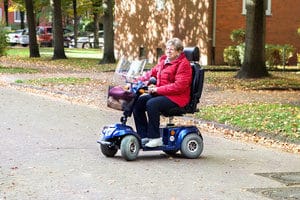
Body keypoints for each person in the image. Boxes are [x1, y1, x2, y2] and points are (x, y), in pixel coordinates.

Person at [133, 38, 193, 148]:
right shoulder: (164, 61)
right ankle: (143, 135)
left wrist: (157, 89)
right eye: (167, 49)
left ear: (179, 52)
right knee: (139, 101)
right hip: (163, 94)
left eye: (172, 49)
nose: (168, 51)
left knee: (152, 104)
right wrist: (138, 80)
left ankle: (155, 138)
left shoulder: (183, 65)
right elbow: (152, 73)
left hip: (178, 98)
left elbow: (179, 86)